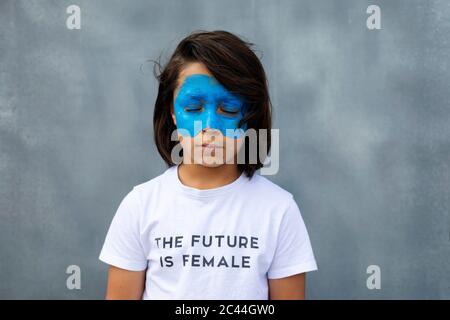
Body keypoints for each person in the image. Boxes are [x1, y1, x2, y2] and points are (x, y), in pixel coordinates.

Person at [99, 30, 318, 300]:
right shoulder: (140, 206)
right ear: (172, 113)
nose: (210, 127)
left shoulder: (279, 211)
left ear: (249, 117)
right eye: (193, 109)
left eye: (228, 109)